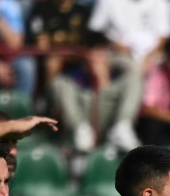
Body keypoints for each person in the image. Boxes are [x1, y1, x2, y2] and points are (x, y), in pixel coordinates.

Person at [28, 0, 140, 153]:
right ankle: (80, 130)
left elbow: (109, 99)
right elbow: (58, 106)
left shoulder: (115, 74)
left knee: (134, 79)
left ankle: (122, 127)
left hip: (108, 121)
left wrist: (103, 79)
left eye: (100, 53)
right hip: (82, 120)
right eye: (92, 53)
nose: (96, 58)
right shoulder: (75, 73)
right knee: (59, 84)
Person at [87, 0, 170, 64]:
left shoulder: (160, 2)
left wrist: (148, 59)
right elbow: (95, 30)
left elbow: (163, 36)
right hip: (116, 53)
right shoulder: (107, 2)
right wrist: (114, 44)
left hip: (153, 56)